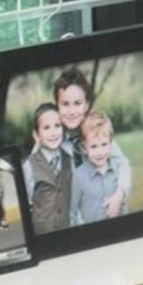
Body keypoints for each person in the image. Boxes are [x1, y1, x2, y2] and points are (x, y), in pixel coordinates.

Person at [53, 67, 132, 207]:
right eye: (65, 104)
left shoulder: (96, 130)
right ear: (57, 106)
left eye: (77, 103)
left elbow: (122, 163)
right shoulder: (51, 137)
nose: (71, 111)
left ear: (86, 105)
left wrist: (119, 194)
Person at [69, 111, 130, 226]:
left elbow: (123, 207)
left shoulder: (118, 168)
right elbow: (73, 212)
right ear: (84, 147)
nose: (100, 152)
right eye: (93, 146)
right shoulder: (78, 176)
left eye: (104, 144)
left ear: (111, 143)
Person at [21, 103, 71, 234]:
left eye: (57, 126)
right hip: (43, 232)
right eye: (46, 128)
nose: (53, 133)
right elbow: (26, 201)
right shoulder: (30, 165)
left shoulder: (69, 158)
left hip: (68, 229)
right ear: (36, 135)